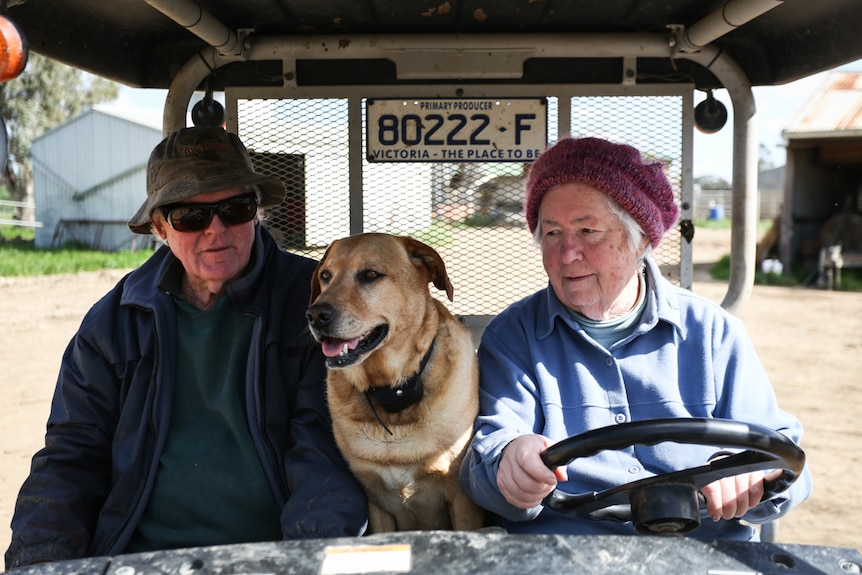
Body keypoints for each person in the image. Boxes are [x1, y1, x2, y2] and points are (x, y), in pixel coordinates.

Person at [5, 126, 368, 570]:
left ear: (256, 214)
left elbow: (325, 448)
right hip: (141, 559)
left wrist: (308, 561)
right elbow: (72, 456)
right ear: (160, 226)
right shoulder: (115, 322)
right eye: (191, 217)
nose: (216, 230)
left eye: (235, 209)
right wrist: (37, 562)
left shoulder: (314, 304)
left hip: (272, 557)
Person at [459, 136, 812, 541]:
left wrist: (756, 471)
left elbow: (789, 466)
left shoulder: (713, 332)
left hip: (701, 552)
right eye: (553, 233)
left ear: (641, 238)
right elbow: (488, 456)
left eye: (588, 230)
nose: (567, 253)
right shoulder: (513, 336)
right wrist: (509, 463)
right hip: (564, 556)